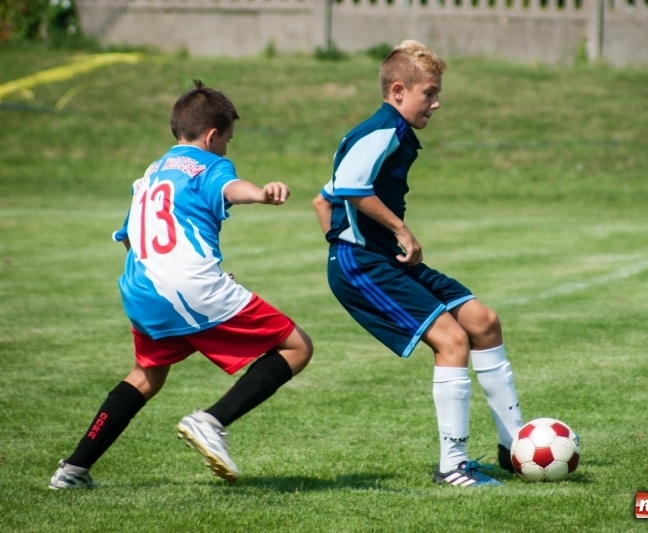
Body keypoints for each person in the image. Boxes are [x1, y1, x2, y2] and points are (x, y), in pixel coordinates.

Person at [49, 80, 313, 489]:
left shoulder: (151, 174)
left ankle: (72, 470)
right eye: (227, 140)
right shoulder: (209, 164)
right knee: (297, 346)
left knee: (146, 375)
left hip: (141, 287)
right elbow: (229, 187)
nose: (228, 148)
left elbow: (130, 238)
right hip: (187, 286)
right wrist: (260, 193)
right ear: (212, 136)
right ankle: (211, 421)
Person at [312, 40, 523, 488]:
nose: (436, 102)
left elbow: (322, 199)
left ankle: (515, 448)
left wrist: (352, 233)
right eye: (429, 93)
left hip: (382, 258)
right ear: (398, 90)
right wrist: (385, 235)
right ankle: (453, 466)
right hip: (363, 265)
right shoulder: (382, 129)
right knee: (452, 340)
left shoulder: (388, 130)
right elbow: (349, 188)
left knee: (483, 322)